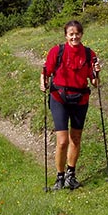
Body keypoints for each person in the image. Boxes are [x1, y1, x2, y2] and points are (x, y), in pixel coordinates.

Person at [40, 20, 99, 190]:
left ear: (82, 34)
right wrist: (43, 83)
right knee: (62, 141)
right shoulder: (56, 51)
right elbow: (46, 72)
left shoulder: (89, 54)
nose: (74, 36)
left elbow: (95, 82)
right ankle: (59, 176)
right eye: (71, 34)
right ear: (66, 36)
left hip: (80, 99)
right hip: (59, 97)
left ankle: (70, 175)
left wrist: (97, 72)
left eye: (77, 33)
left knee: (76, 138)